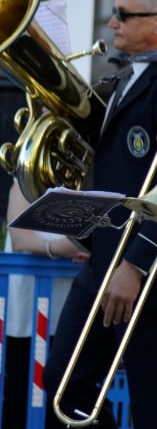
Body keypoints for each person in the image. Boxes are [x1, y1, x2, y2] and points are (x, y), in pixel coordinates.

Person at [43, 0, 157, 429]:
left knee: (154, 402)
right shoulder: (126, 72)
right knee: (64, 382)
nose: (111, 22)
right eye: (114, 10)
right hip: (105, 257)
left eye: (124, 14)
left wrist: (135, 264)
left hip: (154, 271)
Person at [4, 183, 89, 429]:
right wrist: (65, 247)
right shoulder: (26, 177)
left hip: (73, 306)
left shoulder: (90, 178)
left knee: (66, 395)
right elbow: (19, 237)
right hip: (28, 308)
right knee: (21, 393)